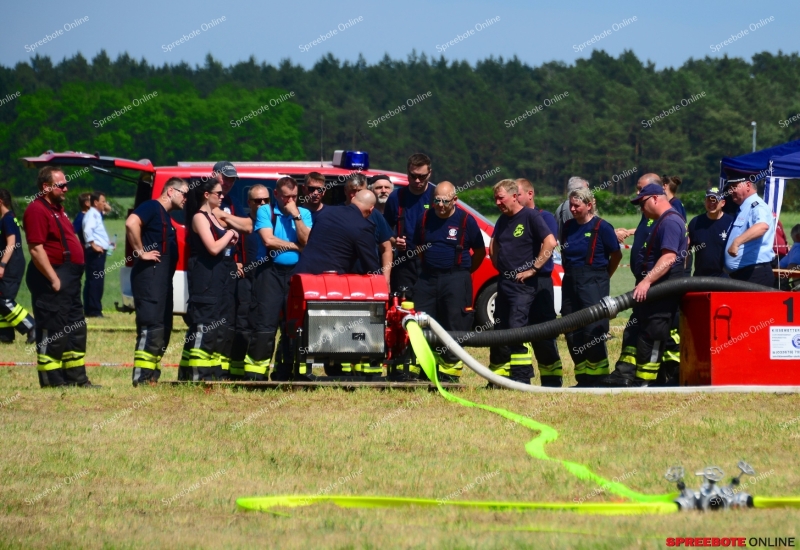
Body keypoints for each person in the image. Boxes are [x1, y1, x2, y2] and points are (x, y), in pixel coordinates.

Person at [604, 183, 687, 387]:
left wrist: (646, 281)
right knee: (637, 332)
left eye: (642, 203)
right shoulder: (663, 221)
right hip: (651, 292)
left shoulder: (670, 222)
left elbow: (668, 258)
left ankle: (647, 384)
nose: (641, 209)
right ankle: (637, 379)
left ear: (656, 198)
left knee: (653, 335)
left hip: (660, 291)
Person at [23, 166, 97, 388]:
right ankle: (52, 381)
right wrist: (54, 279)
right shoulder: (37, 210)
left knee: (75, 328)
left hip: (71, 277)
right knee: (53, 327)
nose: (66, 187)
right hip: (54, 275)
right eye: (61, 184)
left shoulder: (58, 209)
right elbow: (36, 248)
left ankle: (76, 378)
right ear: (46, 187)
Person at [409, 181, 485, 382]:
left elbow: (479, 251)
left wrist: (464, 273)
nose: (440, 205)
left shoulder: (466, 220)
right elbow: (418, 245)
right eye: (437, 201)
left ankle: (450, 372)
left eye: (445, 201)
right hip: (427, 278)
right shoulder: (424, 218)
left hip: (456, 277)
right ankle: (427, 368)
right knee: (422, 323)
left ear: (455, 200)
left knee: (454, 322)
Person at [488, 179, 557, 386]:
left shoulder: (530, 217)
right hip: (505, 283)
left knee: (519, 329)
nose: (498, 203)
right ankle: (499, 378)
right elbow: (495, 244)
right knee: (502, 329)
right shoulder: (502, 219)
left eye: (501, 198)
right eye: (496, 199)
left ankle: (521, 377)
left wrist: (534, 268)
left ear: (515, 196)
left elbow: (550, 242)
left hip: (524, 286)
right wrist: (499, 265)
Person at [246, 176, 312, 382]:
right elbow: (268, 240)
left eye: (293, 197)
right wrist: (295, 246)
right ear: (276, 195)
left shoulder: (305, 213)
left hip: (295, 274)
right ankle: (255, 375)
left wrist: (296, 217)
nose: (289, 201)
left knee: (292, 326)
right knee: (265, 323)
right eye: (285, 197)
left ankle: (284, 373)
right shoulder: (265, 211)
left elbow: (308, 240)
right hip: (269, 272)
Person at [126, 178, 187, 385]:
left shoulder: (166, 216)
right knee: (151, 327)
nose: (186, 199)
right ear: (171, 191)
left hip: (161, 282)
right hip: (149, 279)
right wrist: (140, 251)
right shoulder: (152, 206)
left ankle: (152, 375)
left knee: (162, 328)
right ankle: (141, 378)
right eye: (184, 194)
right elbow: (131, 222)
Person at [178, 176, 239, 381]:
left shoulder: (213, 216)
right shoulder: (199, 217)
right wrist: (229, 233)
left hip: (219, 277)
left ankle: (210, 374)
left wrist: (230, 238)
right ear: (206, 195)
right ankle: (198, 376)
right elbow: (213, 248)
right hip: (205, 278)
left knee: (216, 325)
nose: (222, 196)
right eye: (218, 193)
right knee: (204, 324)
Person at [560, 187, 622, 387]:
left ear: (589, 205)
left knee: (592, 330)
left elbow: (616, 256)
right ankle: (583, 378)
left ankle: (599, 378)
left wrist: (604, 277)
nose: (573, 209)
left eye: (577, 205)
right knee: (571, 329)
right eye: (571, 205)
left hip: (594, 280)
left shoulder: (602, 227)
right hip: (570, 281)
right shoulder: (568, 226)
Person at [515, 178, 563, 386]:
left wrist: (533, 268)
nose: (515, 198)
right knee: (518, 331)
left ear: (530, 194)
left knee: (544, 333)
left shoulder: (545, 218)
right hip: (519, 284)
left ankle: (552, 379)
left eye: (517, 194)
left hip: (540, 281)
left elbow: (550, 243)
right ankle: (520, 377)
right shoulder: (511, 219)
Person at [210, 161, 252, 379]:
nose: (228, 182)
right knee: (213, 318)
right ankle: (209, 370)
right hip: (212, 268)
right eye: (225, 177)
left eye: (232, 179)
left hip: (231, 268)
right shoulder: (205, 200)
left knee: (231, 318)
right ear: (214, 175)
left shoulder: (234, 202)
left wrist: (238, 260)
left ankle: (224, 370)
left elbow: (246, 227)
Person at [228, 184, 270, 380]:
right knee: (242, 325)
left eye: (266, 200)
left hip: (267, 281)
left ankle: (257, 371)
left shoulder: (274, 223)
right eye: (257, 201)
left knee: (263, 324)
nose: (262, 204)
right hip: (245, 279)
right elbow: (231, 245)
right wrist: (236, 262)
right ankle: (236, 372)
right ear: (249, 203)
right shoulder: (244, 223)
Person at [383, 153, 436, 299]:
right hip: (404, 262)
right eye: (413, 176)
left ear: (429, 173)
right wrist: (395, 241)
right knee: (403, 305)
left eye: (422, 176)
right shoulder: (396, 198)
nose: (417, 180)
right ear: (407, 173)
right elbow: (384, 229)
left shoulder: (436, 196)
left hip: (430, 262)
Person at [295, 190, 381, 275]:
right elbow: (371, 265)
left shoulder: (325, 212)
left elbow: (311, 240)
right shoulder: (363, 226)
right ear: (371, 209)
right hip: (327, 281)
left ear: (353, 199)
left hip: (301, 276)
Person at [724, 178, 777, 286]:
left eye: (734, 186)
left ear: (748, 185)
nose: (731, 191)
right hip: (745, 275)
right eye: (730, 188)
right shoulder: (744, 208)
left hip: (755, 274)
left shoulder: (757, 206)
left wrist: (736, 242)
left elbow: (762, 226)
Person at [343, 173, 393, 285]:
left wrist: (385, 280)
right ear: (345, 190)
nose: (355, 195)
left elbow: (386, 248)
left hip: (369, 278)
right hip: (342, 277)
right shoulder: (336, 212)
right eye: (353, 190)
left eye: (360, 191)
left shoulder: (375, 215)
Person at [0, 189, 35, 344]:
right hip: (11, 264)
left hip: (11, 265)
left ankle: (32, 327)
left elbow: (11, 244)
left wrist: (2, 265)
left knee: (5, 300)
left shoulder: (7, 219)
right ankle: (5, 335)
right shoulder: (8, 218)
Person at [687, 187, 733, 277]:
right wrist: (685, 273)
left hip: (725, 279)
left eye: (715, 200)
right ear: (705, 201)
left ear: (723, 203)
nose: (711, 203)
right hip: (700, 278)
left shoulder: (731, 223)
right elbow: (687, 250)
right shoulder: (695, 223)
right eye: (709, 200)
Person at [81, 191, 110, 318]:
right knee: (96, 281)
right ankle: (94, 310)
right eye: (102, 201)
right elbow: (87, 230)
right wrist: (94, 246)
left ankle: (90, 308)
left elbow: (108, 209)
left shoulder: (96, 214)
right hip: (95, 252)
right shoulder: (92, 215)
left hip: (97, 251)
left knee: (92, 280)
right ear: (95, 202)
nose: (105, 204)